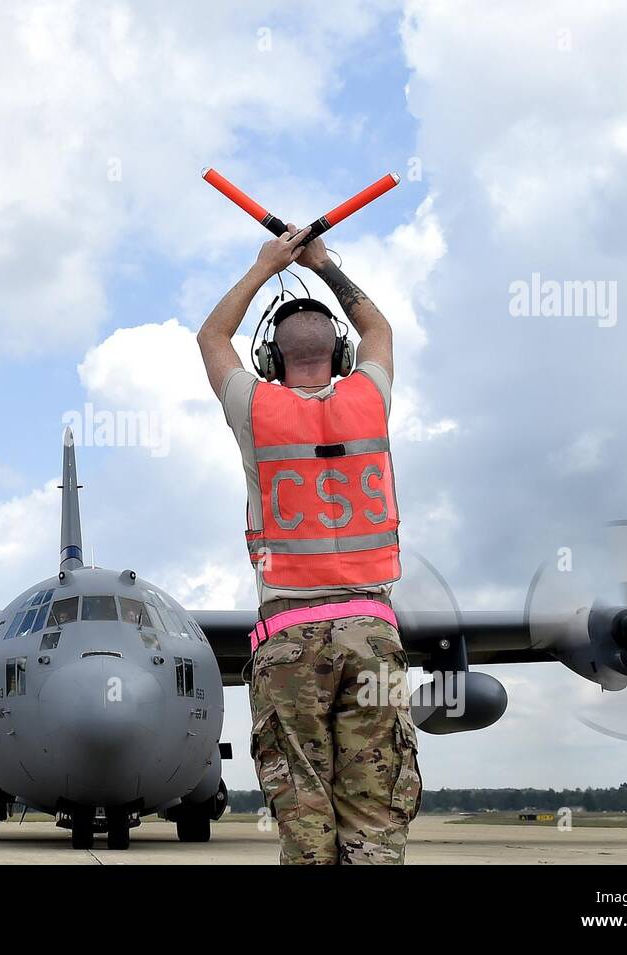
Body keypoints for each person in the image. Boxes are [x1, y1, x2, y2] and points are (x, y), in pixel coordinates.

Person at [196, 223, 421, 864]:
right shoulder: (369, 398)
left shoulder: (256, 410)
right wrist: (322, 265)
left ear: (270, 360)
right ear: (343, 356)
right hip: (372, 631)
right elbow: (378, 328)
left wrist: (267, 266)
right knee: (375, 812)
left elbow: (213, 337)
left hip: (289, 636)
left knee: (302, 807)